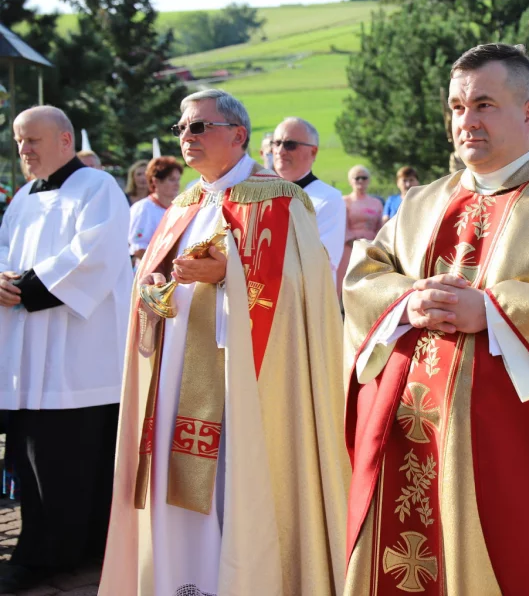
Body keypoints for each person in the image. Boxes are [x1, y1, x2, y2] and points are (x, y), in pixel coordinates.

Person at [343, 43, 529, 595]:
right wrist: (408, 301)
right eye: (457, 107)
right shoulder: (422, 202)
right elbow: (365, 274)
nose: (466, 121)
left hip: (513, 456)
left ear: (528, 112)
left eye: (483, 104)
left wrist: (494, 310)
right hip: (412, 438)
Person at [99, 89, 348, 596]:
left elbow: (305, 289)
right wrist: (153, 290)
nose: (186, 137)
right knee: (179, 483)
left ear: (237, 135)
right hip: (175, 376)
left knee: (234, 485)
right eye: (181, 129)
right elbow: (148, 274)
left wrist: (228, 272)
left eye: (198, 127)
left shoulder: (281, 200)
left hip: (245, 379)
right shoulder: (184, 204)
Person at [0, 106, 132, 591]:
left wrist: (27, 289)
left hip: (81, 355)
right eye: (18, 142)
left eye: (31, 140)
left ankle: (51, 556)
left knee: (74, 459)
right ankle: (57, 549)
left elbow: (95, 254)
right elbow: (3, 248)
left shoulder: (97, 188)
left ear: (63, 139)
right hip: (30, 352)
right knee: (34, 455)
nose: (24, 151)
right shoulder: (21, 199)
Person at [272, 116, 346, 285]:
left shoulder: (328, 198)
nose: (280, 151)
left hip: (307, 297)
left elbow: (319, 259)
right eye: (276, 143)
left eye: (290, 144)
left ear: (313, 151)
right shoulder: (260, 193)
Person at [337, 164, 383, 293]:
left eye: (364, 178)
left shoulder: (376, 203)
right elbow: (342, 225)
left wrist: (378, 243)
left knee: (369, 279)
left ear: (369, 180)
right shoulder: (345, 201)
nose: (361, 181)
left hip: (370, 247)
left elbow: (380, 226)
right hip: (349, 247)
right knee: (346, 279)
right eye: (357, 178)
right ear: (350, 181)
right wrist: (352, 240)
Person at [128, 156, 183, 263]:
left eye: (178, 179)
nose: (177, 184)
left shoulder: (181, 207)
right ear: (156, 181)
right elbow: (139, 248)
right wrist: (163, 267)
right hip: (151, 274)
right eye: (171, 179)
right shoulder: (143, 208)